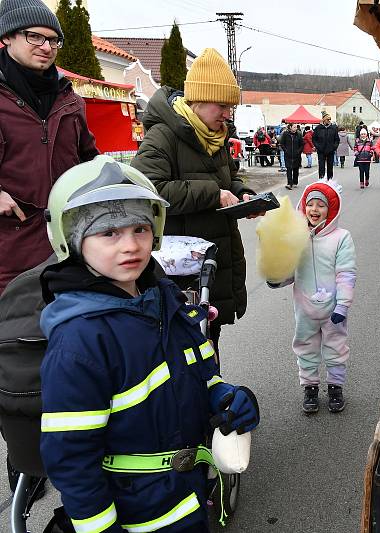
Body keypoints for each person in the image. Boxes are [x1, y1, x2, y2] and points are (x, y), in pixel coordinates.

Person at [38, 156, 260, 533]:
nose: (131, 246)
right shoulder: (80, 341)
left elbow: (201, 366)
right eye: (108, 233)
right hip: (136, 515)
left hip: (186, 498)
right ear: (72, 239)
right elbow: (72, 459)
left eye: (140, 228)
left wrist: (226, 397)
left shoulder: (165, 297)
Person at [132, 48, 259, 353]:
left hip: (213, 261)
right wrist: (213, 194)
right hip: (178, 272)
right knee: (181, 347)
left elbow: (229, 178)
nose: (227, 114)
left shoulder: (216, 135)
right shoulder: (163, 135)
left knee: (209, 339)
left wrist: (243, 194)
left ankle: (211, 396)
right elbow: (149, 189)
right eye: (222, 106)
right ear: (199, 100)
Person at [0, 0, 99, 295]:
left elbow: (88, 158)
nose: (46, 46)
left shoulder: (70, 100)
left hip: (66, 244)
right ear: (6, 37)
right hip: (9, 252)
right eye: (35, 37)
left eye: (54, 40)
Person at [268, 181, 356, 414]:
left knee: (336, 347)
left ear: (332, 209)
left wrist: (343, 305)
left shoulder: (341, 237)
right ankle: (310, 387)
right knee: (305, 347)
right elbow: (291, 271)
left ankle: (336, 386)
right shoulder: (296, 236)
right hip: (304, 308)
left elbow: (346, 272)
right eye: (310, 204)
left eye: (321, 205)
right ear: (303, 207)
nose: (314, 210)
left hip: (333, 309)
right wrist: (277, 277)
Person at [312, 111, 339, 180]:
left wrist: (334, 147)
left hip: (330, 150)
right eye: (327, 119)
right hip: (321, 150)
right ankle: (321, 178)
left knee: (330, 166)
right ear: (324, 120)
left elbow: (337, 139)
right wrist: (318, 146)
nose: (329, 121)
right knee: (321, 166)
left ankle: (329, 179)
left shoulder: (333, 128)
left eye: (330, 119)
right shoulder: (318, 128)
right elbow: (314, 139)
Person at [280, 122, 303, 190]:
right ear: (290, 127)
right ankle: (289, 183)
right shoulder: (285, 134)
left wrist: (299, 151)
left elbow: (302, 144)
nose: (296, 128)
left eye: (296, 127)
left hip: (296, 155)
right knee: (289, 169)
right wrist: (286, 150)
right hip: (288, 155)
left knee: (296, 169)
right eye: (294, 127)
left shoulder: (299, 134)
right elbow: (282, 143)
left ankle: (295, 182)